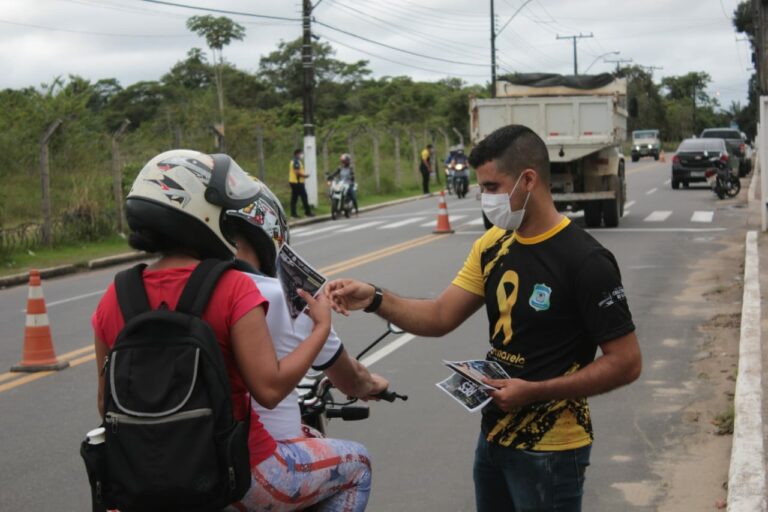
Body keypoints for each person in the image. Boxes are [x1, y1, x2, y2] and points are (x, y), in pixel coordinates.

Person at [324, 125, 642, 511]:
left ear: (528, 179)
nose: (485, 199)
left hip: (551, 451)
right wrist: (374, 298)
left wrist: (535, 391)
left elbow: (626, 363)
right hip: (493, 438)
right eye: (482, 189)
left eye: (492, 187)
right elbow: (440, 316)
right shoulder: (493, 244)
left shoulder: (586, 261)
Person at [92, 149, 371, 512]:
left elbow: (105, 404)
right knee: (358, 464)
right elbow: (269, 389)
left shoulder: (116, 295)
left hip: (146, 479)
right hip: (241, 473)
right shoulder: (231, 287)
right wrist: (321, 327)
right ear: (203, 214)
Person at [223, 179, 389, 441]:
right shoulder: (286, 296)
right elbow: (349, 379)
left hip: (193, 452)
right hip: (265, 452)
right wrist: (371, 384)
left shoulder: (192, 290)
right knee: (359, 464)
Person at [289, 148, 314, 218]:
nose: (301, 155)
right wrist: (305, 176)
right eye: (301, 154)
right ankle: (307, 212)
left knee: (294, 198)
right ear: (297, 154)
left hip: (294, 182)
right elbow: (297, 172)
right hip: (297, 182)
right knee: (304, 197)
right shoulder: (296, 161)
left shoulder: (294, 161)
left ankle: (293, 213)